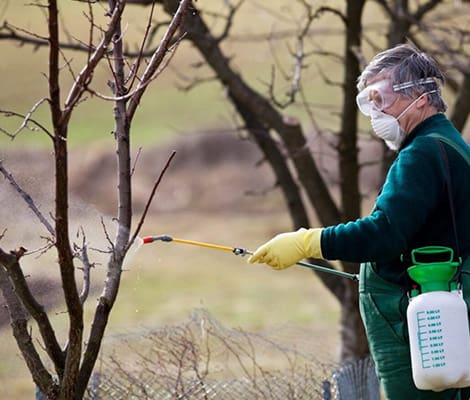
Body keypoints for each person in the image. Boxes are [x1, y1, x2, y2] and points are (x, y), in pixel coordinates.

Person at [248, 43, 470, 400]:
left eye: (381, 97)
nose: (374, 112)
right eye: (368, 102)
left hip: (421, 329)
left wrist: (309, 242)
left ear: (422, 97)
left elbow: (385, 234)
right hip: (438, 320)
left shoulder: (423, 153)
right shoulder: (447, 144)